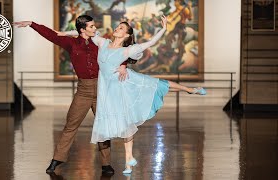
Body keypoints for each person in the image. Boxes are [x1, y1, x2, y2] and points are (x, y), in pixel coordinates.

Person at [58, 15, 206, 174]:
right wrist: (62, 34)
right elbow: (82, 34)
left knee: (157, 85)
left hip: (124, 83)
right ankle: (129, 161)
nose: (117, 29)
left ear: (127, 35)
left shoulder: (128, 50)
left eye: (121, 28)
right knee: (125, 122)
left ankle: (190, 90)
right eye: (118, 26)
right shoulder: (103, 43)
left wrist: (163, 28)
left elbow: (151, 43)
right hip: (109, 91)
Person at [13, 15, 141, 175]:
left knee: (103, 128)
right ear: (82, 30)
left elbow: (122, 50)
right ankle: (56, 160)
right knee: (70, 125)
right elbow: (52, 35)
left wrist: (122, 65)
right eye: (92, 27)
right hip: (83, 90)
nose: (96, 29)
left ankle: (106, 164)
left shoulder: (102, 43)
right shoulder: (71, 43)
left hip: (103, 89)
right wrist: (32, 24)